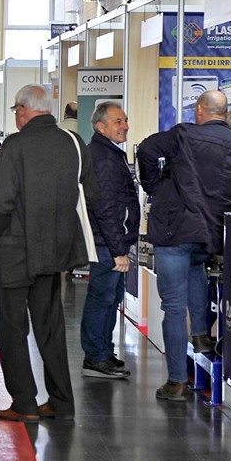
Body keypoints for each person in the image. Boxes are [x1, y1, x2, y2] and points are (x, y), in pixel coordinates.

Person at [136, 90, 231, 401]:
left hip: (175, 227)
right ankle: (201, 336)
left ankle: (176, 380)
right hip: (211, 233)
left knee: (173, 307)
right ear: (225, 113)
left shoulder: (184, 135)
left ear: (201, 110)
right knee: (196, 271)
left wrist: (155, 186)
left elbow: (147, 150)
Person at [0, 84, 97, 422]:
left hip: (15, 249)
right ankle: (62, 402)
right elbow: (90, 193)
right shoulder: (73, 142)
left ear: (23, 109)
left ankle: (24, 402)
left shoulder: (15, 146)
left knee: (12, 326)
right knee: (50, 327)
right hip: (55, 250)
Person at [79, 102, 138, 380]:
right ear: (101, 127)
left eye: (125, 120)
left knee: (109, 298)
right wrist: (118, 250)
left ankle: (102, 352)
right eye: (118, 122)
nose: (125, 126)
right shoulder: (103, 158)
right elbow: (105, 208)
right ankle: (95, 357)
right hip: (106, 243)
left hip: (109, 241)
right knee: (101, 299)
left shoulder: (109, 154)